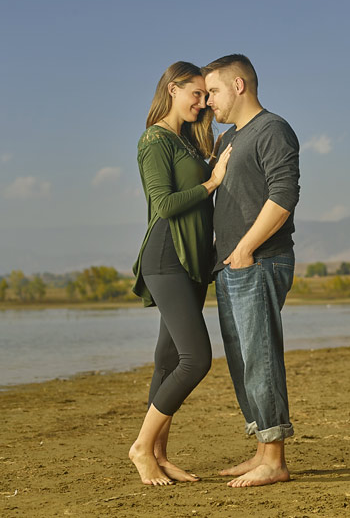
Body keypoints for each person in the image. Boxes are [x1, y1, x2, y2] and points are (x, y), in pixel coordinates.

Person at [128, 61, 233, 486]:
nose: (203, 102)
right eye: (196, 93)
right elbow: (165, 204)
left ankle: (159, 455)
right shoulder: (154, 140)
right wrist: (213, 181)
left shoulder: (187, 143)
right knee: (196, 359)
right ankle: (140, 447)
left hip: (191, 262)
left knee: (168, 359)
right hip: (166, 257)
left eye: (207, 96)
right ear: (172, 90)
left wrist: (213, 159)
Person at [202, 54, 300, 488]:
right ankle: (262, 449)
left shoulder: (272, 129)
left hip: (259, 260)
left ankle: (275, 459)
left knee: (260, 358)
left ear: (239, 85)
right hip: (231, 265)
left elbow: (283, 196)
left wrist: (244, 248)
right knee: (243, 360)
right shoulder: (226, 140)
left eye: (214, 91)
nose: (208, 102)